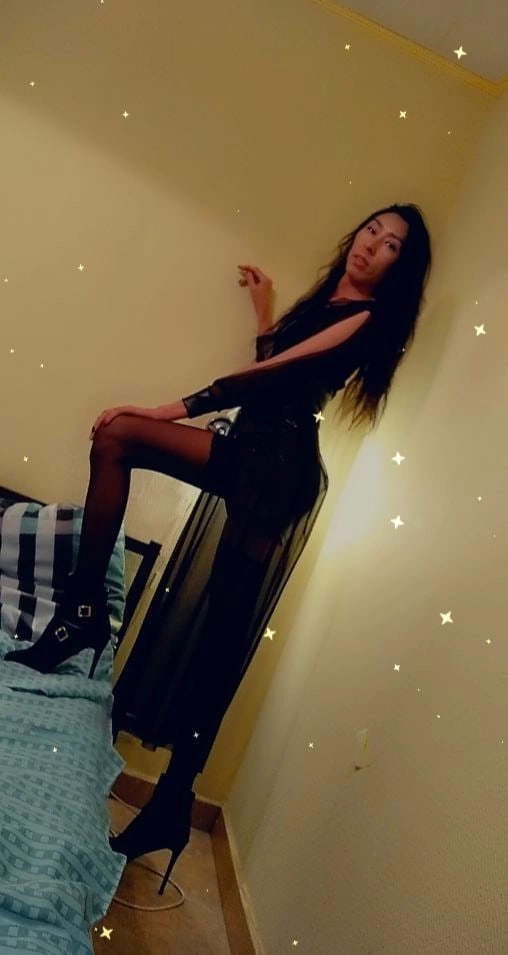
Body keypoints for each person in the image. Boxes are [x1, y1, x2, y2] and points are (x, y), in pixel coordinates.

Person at [5, 203, 432, 890]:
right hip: (256, 452)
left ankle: (153, 764)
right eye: (372, 230)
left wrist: (166, 408)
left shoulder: (367, 318)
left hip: (277, 470)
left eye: (391, 245)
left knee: (217, 631)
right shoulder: (328, 303)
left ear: (398, 268)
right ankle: (165, 792)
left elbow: (266, 381)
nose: (372, 245)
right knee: (207, 617)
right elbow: (277, 367)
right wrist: (265, 315)